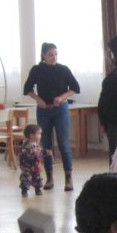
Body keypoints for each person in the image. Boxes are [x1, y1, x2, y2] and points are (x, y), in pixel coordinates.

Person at [23, 42, 80, 191]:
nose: (54, 57)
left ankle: (68, 177)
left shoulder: (63, 69)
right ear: (43, 55)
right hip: (44, 110)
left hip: (60, 109)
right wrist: (38, 100)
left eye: (55, 54)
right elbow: (27, 89)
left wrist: (62, 97)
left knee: (63, 143)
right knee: (46, 143)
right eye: (50, 55)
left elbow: (75, 88)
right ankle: (49, 177)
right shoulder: (37, 70)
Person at [18, 124, 44, 197]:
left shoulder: (38, 144)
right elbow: (26, 155)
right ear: (32, 135)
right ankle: (24, 190)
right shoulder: (26, 145)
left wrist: (45, 153)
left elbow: (40, 152)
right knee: (26, 177)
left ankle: (38, 189)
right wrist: (35, 154)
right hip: (27, 166)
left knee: (37, 176)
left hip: (36, 165)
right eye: (39, 134)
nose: (40, 136)